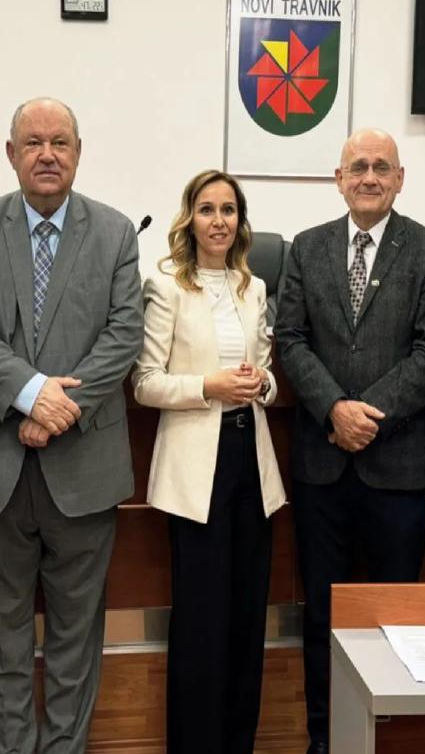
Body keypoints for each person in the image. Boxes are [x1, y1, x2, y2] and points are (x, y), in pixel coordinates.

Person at [0, 97, 143, 754]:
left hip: (83, 464)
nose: (48, 154)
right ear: (11, 154)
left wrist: (60, 412)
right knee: (2, 631)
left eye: (60, 142)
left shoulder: (115, 233)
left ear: (79, 153)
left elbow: (124, 335)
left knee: (75, 634)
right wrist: (32, 396)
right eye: (33, 143)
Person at [275, 128, 425, 754]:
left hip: (398, 468)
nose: (369, 177)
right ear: (339, 178)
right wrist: (333, 408)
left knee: (394, 622)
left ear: (400, 179)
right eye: (358, 167)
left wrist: (366, 414)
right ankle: (324, 741)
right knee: (322, 619)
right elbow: (289, 338)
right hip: (322, 469)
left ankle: (387, 742)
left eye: (382, 167)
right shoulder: (306, 248)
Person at [132, 170, 285, 753]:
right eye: (206, 209)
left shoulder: (254, 286)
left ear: (240, 222)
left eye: (228, 210)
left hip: (250, 460)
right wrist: (208, 386)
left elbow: (267, 372)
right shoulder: (166, 285)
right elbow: (145, 382)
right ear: (189, 219)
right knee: (201, 621)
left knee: (247, 618)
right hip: (198, 469)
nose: (218, 220)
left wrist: (261, 384)